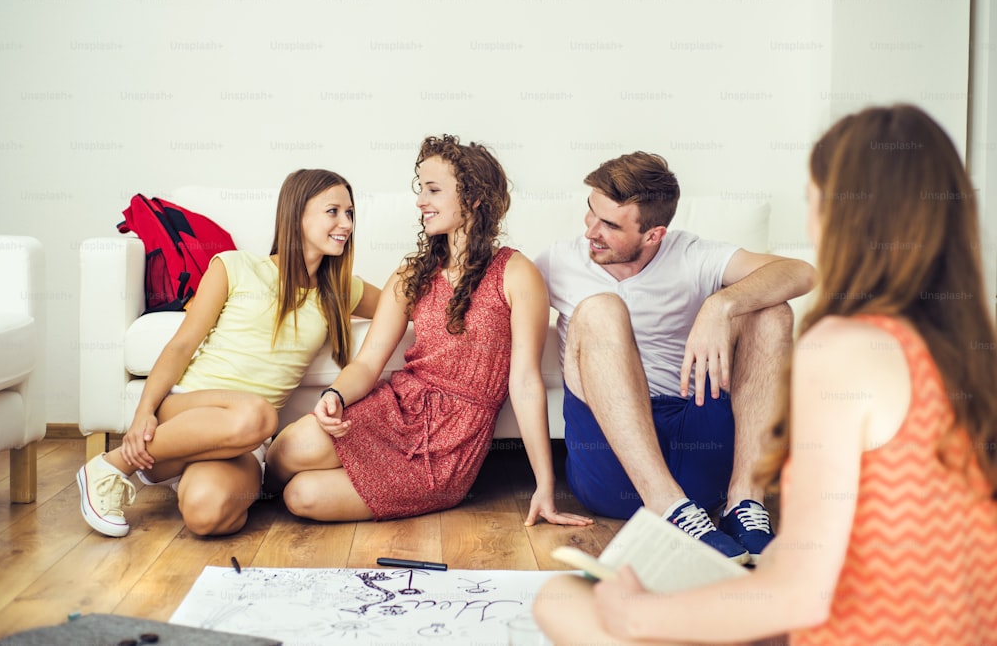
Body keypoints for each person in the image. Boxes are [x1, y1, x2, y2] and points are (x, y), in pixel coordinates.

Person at [533, 104, 997, 644]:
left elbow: (802, 593)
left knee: (562, 599)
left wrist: (637, 615)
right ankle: (682, 515)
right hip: (953, 628)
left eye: (813, 197)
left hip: (843, 625)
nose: (809, 215)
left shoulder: (841, 349)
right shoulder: (971, 351)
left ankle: (739, 506)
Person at [264, 135, 593, 528]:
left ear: (474, 198)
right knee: (287, 448)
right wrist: (334, 395)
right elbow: (368, 363)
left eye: (434, 190)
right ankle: (246, 489)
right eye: (421, 189)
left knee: (302, 496)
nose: (421, 201)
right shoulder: (411, 275)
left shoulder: (515, 272)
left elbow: (524, 381)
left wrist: (544, 486)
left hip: (451, 444)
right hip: (398, 408)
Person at [534, 152, 814, 563]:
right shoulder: (558, 262)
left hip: (696, 443)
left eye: (610, 225)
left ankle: (745, 504)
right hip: (613, 465)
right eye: (591, 214)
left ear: (654, 235)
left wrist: (720, 306)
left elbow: (802, 273)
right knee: (600, 308)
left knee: (772, 310)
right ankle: (668, 507)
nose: (591, 231)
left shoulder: (691, 255)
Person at [77, 169, 380, 537]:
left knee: (206, 516)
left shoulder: (340, 289)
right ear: (296, 214)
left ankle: (196, 467)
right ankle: (110, 466)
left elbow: (405, 304)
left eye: (350, 213)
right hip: (188, 407)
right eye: (333, 211)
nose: (345, 223)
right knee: (257, 412)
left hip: (246, 441)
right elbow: (181, 345)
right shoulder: (234, 265)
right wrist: (144, 412)